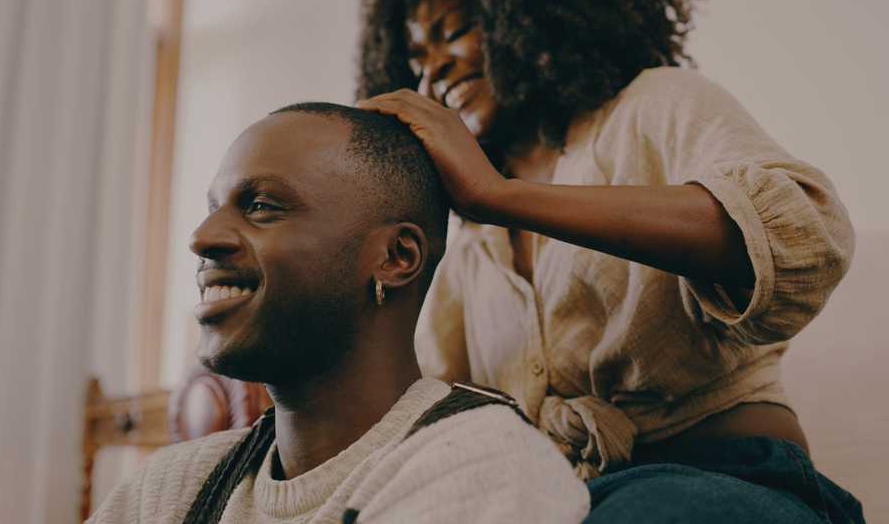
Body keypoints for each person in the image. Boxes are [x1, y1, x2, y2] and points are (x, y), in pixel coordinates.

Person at [355, 0, 863, 522]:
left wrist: (499, 195)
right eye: (415, 57)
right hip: (560, 503)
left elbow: (805, 239)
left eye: (454, 30)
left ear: (529, 12)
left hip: (733, 482)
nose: (432, 68)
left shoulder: (653, 105)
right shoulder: (472, 248)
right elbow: (450, 409)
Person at [88, 103, 588, 524]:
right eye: (214, 206)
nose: (202, 236)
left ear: (396, 258)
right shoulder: (171, 489)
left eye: (261, 206)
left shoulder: (482, 468)